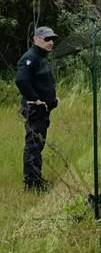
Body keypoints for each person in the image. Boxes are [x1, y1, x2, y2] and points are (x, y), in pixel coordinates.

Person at [15, 26, 59, 192]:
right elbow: (21, 80)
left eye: (52, 39)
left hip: (43, 111)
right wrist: (34, 99)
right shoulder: (31, 58)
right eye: (47, 39)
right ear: (36, 40)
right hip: (35, 110)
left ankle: (36, 179)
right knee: (33, 146)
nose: (51, 42)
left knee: (38, 145)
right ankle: (32, 185)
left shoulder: (41, 57)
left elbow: (42, 81)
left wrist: (51, 98)